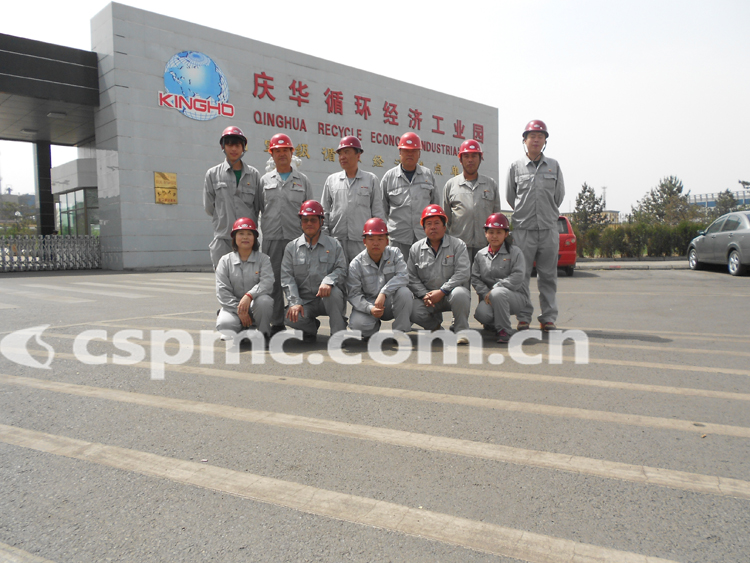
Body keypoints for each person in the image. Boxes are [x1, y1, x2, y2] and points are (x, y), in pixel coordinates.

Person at [506, 120, 565, 332]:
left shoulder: (554, 166)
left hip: (548, 229)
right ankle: (523, 317)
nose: (536, 140)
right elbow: (511, 197)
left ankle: (548, 318)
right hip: (523, 230)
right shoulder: (515, 167)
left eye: (541, 136)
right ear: (524, 140)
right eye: (532, 136)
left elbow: (559, 196)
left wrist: (546, 213)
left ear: (545, 141)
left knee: (548, 276)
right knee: (521, 276)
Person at [258, 133, 314, 335]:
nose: (281, 154)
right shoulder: (264, 181)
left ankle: (304, 323)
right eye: (277, 151)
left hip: (296, 240)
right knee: (273, 281)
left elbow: (310, 214)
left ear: (292, 153)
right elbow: (258, 208)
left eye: (285, 150)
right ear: (271, 154)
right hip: (272, 239)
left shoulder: (303, 181)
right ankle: (277, 322)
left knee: (300, 281)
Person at [281, 200, 348, 342]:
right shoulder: (291, 248)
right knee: (288, 316)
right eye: (305, 220)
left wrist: (328, 281)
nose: (309, 223)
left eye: (313, 220)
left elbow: (342, 269)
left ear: (321, 221)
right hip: (305, 301)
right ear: (300, 222)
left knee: (334, 293)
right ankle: (310, 328)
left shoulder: (334, 245)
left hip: (326, 299)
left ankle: (337, 335)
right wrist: (295, 302)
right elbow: (287, 278)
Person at [407, 204, 471, 344]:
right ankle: (435, 328)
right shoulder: (415, 249)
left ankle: (461, 331)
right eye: (429, 224)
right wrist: (424, 294)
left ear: (444, 226)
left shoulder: (458, 245)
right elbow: (411, 277)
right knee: (410, 307)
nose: (433, 227)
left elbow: (463, 273)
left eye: (437, 223)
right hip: (428, 298)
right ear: (424, 228)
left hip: (450, 294)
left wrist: (442, 291)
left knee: (461, 294)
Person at [203, 126, 261, 269]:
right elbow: (209, 207)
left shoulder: (253, 175)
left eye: (237, 145)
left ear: (243, 148)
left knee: (249, 278)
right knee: (223, 279)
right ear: (223, 147)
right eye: (229, 145)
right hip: (223, 239)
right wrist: (224, 219)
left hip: (247, 241)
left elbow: (258, 206)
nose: (233, 149)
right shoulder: (212, 174)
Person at [321, 136, 385, 263]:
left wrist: (377, 240)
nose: (342, 157)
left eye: (347, 152)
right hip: (337, 241)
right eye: (340, 154)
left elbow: (377, 213)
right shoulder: (332, 180)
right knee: (338, 272)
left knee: (363, 272)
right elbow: (324, 212)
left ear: (358, 155)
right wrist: (325, 238)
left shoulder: (370, 180)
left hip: (362, 242)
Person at [346, 217, 412, 338]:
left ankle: (400, 332)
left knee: (405, 293)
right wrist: (370, 308)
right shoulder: (356, 264)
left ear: (387, 241)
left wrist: (384, 292)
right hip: (370, 304)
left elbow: (403, 276)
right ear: (364, 241)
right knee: (358, 326)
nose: (375, 243)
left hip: (392, 302)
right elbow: (354, 294)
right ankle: (372, 328)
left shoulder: (395, 253)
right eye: (371, 239)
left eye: (380, 239)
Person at [471, 213, 531, 343]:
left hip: (516, 297)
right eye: (491, 232)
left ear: (506, 234)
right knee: (482, 314)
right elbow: (475, 278)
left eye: (499, 232)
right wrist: (485, 293)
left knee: (498, 293)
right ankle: (493, 323)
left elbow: (518, 276)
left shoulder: (515, 252)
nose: (494, 236)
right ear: (485, 233)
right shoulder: (480, 255)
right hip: (490, 297)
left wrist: (496, 288)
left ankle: (504, 330)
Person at [442, 139, 501, 265]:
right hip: (459, 247)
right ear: (460, 159)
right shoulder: (451, 185)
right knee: (461, 277)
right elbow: (446, 220)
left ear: (480, 159)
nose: (470, 160)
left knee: (486, 277)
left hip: (486, 247)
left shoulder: (490, 185)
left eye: (474, 156)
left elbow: (496, 217)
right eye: (466, 156)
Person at [215, 217, 274, 341]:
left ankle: (264, 334)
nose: (245, 237)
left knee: (265, 301)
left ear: (255, 238)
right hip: (233, 308)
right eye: (241, 233)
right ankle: (241, 331)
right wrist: (240, 310)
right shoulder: (225, 261)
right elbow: (222, 291)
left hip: (255, 306)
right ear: (234, 237)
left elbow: (267, 283)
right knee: (225, 325)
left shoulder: (263, 259)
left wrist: (249, 295)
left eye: (249, 234)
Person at [381, 132, 438, 257]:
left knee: (424, 269)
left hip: (423, 237)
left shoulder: (428, 176)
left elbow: (434, 206)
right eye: (406, 151)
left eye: (414, 151)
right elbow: (382, 209)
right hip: (398, 239)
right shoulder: (389, 178)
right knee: (398, 268)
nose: (410, 154)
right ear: (400, 152)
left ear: (419, 154)